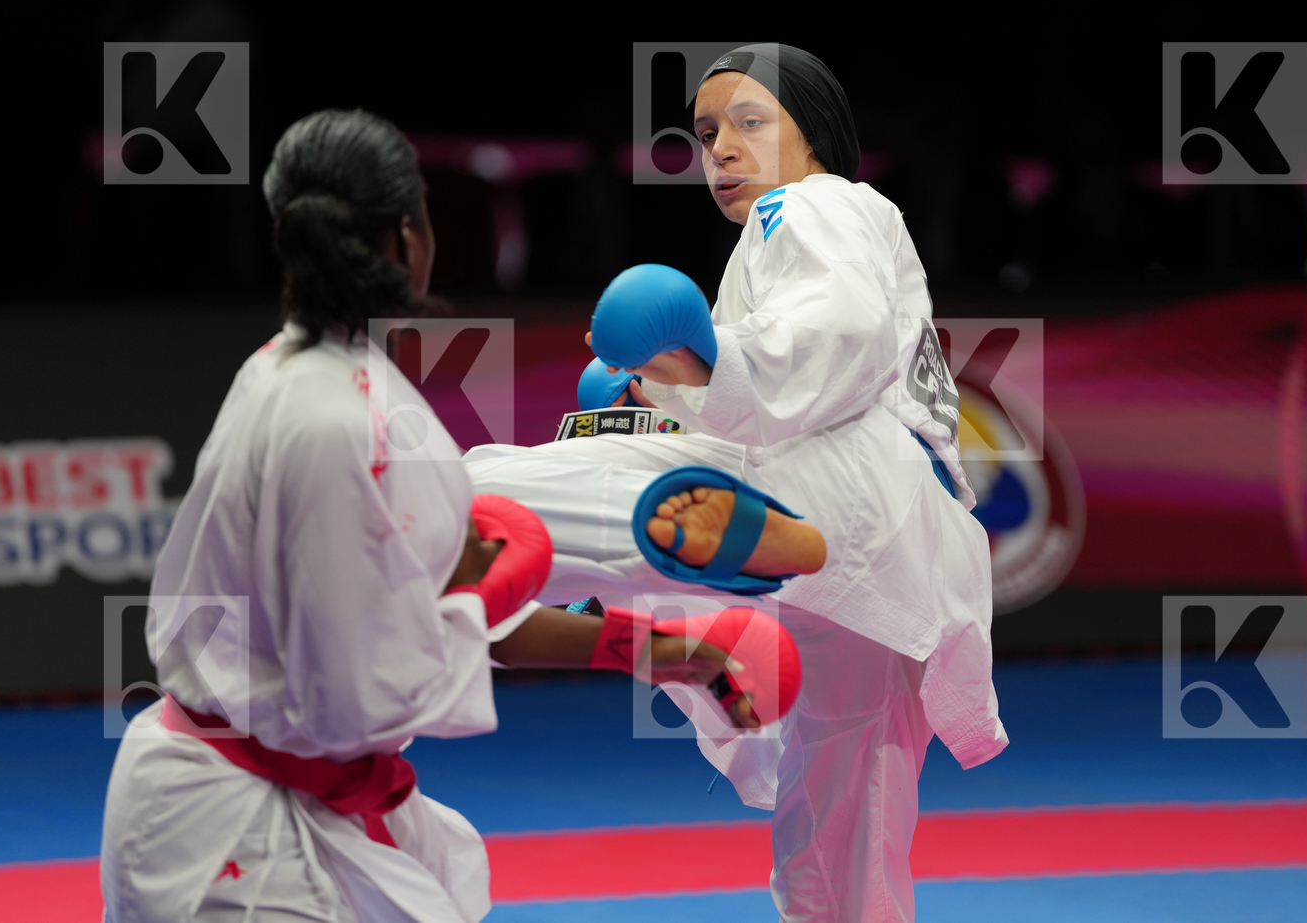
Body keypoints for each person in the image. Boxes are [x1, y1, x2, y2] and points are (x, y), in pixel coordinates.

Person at [99, 109, 816, 923]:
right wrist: (484, 595)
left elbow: (436, 600)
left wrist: (667, 652)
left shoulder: (304, 377)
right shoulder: (332, 420)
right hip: (230, 830)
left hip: (288, 802)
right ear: (407, 240)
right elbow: (354, 690)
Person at [463, 44, 1007, 922]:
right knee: (842, 849)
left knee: (614, 488)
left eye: (750, 123)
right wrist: (671, 386)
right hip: (898, 566)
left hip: (845, 493)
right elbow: (778, 385)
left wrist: (704, 362)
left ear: (815, 133)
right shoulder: (830, 230)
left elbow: (835, 333)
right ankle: (704, 627)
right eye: (706, 133)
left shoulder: (814, 203)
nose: (719, 149)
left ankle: (424, 519)